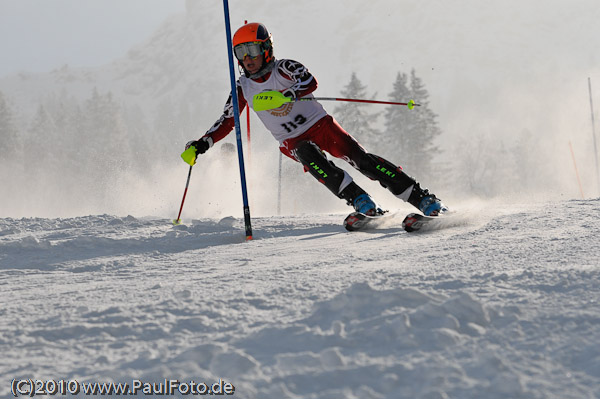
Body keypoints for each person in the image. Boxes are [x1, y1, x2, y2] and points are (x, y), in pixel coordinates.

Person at [185, 22, 447, 227]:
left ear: (266, 49)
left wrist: (289, 94)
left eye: (252, 50)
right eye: (240, 53)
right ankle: (361, 201)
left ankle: (423, 199)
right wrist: (202, 144)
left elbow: (310, 81)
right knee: (307, 154)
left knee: (363, 161)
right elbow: (227, 121)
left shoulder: (284, 68)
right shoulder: (242, 87)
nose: (247, 58)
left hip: (321, 126)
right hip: (292, 141)